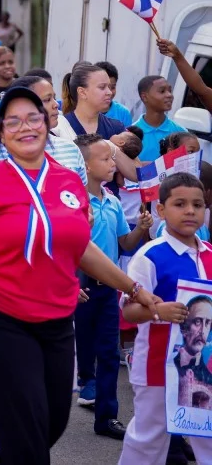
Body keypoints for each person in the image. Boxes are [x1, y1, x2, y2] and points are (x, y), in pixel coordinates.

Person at [0, 86, 159, 464]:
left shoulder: (68, 181)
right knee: (27, 436)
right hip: (0, 321)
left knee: (52, 423)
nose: (24, 127)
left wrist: (133, 287)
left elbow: (82, 248)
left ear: (46, 124)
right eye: (12, 121)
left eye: (32, 118)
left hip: (58, 321)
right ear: (1, 132)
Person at [119, 174, 212, 464]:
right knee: (149, 437)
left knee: (207, 435)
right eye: (180, 204)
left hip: (204, 369)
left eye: (197, 205)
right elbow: (129, 311)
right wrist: (160, 311)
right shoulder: (150, 256)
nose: (190, 211)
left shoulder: (210, 255)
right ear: (160, 210)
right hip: (157, 366)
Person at [74, 134, 153, 439]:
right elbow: (68, 246)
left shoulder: (113, 200)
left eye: (112, 158)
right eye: (105, 159)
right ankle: (84, 383)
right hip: (81, 284)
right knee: (81, 343)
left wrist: (142, 230)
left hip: (108, 286)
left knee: (108, 351)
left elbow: (125, 243)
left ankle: (107, 417)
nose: (112, 164)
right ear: (85, 165)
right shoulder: (76, 202)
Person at [0, 75, 88, 185]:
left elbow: (84, 203)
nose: (56, 104)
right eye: (46, 100)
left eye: (54, 98)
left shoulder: (70, 149)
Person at [133, 74, 187, 162]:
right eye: (162, 91)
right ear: (144, 97)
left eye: (170, 90)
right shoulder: (131, 134)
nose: (169, 95)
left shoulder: (181, 132)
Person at [94, 61, 134, 127]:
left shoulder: (123, 113)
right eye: (102, 87)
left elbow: (128, 136)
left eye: (113, 87)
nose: (109, 92)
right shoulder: (86, 111)